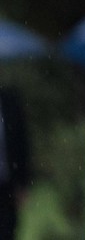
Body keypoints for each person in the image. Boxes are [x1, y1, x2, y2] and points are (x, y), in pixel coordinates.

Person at [0, 87, 31, 240]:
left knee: (7, 231)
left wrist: (23, 183)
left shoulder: (10, 101)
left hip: (7, 184)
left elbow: (22, 143)